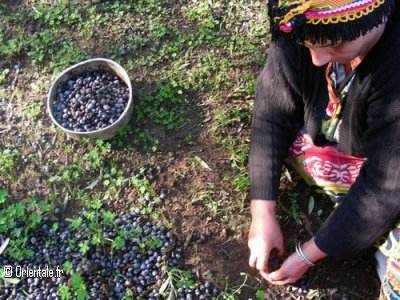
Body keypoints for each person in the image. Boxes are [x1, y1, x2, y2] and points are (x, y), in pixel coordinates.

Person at [247, 0, 400, 297]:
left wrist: (309, 254)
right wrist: (262, 211)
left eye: (335, 44)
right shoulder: (303, 21)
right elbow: (272, 114)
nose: (317, 59)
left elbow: (387, 185)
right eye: (307, 44)